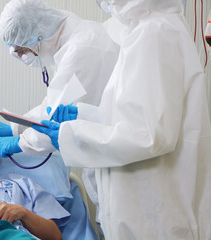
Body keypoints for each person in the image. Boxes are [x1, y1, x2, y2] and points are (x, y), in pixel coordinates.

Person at [32, 0, 211, 239]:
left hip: (155, 214)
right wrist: (84, 116)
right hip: (144, 208)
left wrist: (70, 135)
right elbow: (137, 116)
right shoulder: (144, 32)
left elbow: (150, 135)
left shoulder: (154, 34)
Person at [0, 0, 119, 158]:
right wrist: (15, 129)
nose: (21, 56)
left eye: (21, 49)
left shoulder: (81, 50)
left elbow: (58, 122)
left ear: (39, 34)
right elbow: (52, 107)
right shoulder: (72, 43)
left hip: (118, 160)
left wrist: (19, 143)